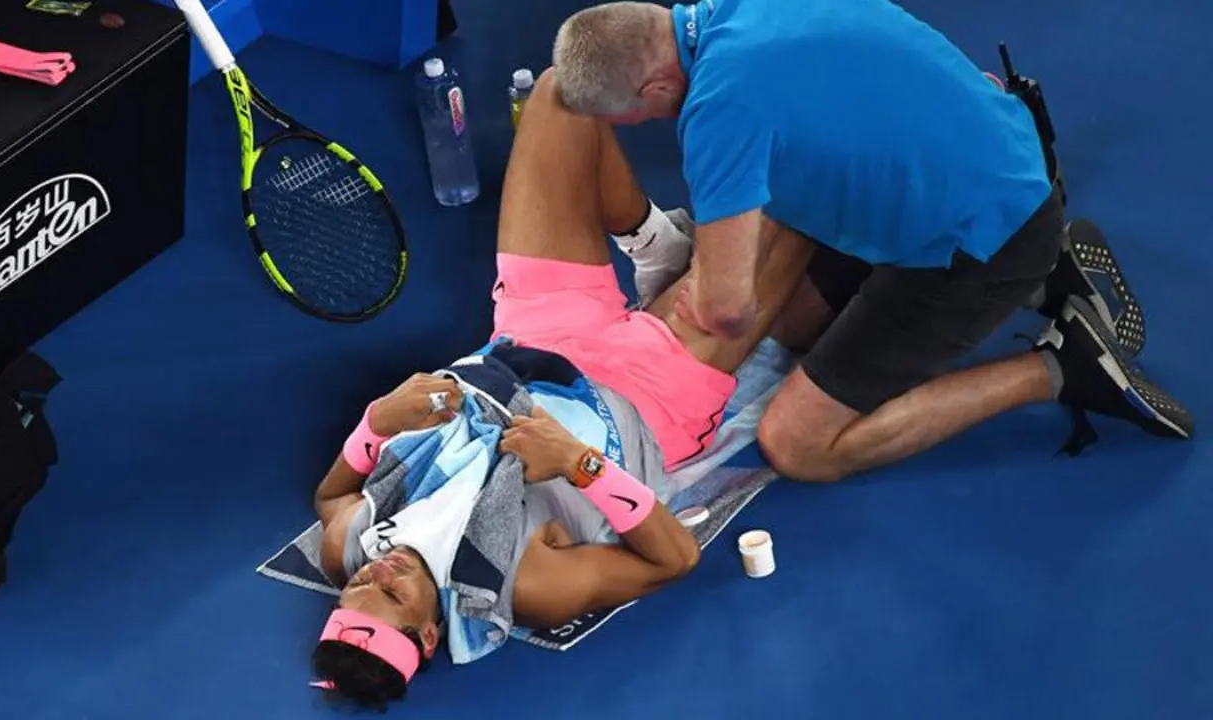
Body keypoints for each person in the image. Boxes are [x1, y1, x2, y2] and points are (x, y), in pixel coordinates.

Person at [307, 68, 808, 711]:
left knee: (562, 92)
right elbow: (673, 560)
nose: (382, 571)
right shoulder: (531, 587)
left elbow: (332, 494)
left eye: (359, 587)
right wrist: (581, 464)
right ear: (429, 635)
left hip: (529, 338)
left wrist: (378, 422)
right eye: (394, 595)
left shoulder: (349, 548)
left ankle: (657, 249)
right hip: (645, 394)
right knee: (801, 198)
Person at [551, 0, 1193, 482]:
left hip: (987, 236)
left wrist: (695, 287)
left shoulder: (719, 111)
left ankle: (1062, 367)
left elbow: (726, 310)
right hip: (1008, 156)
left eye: (629, 118)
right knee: (797, 325)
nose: (638, 127)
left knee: (797, 445)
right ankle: (1043, 279)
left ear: (656, 87)